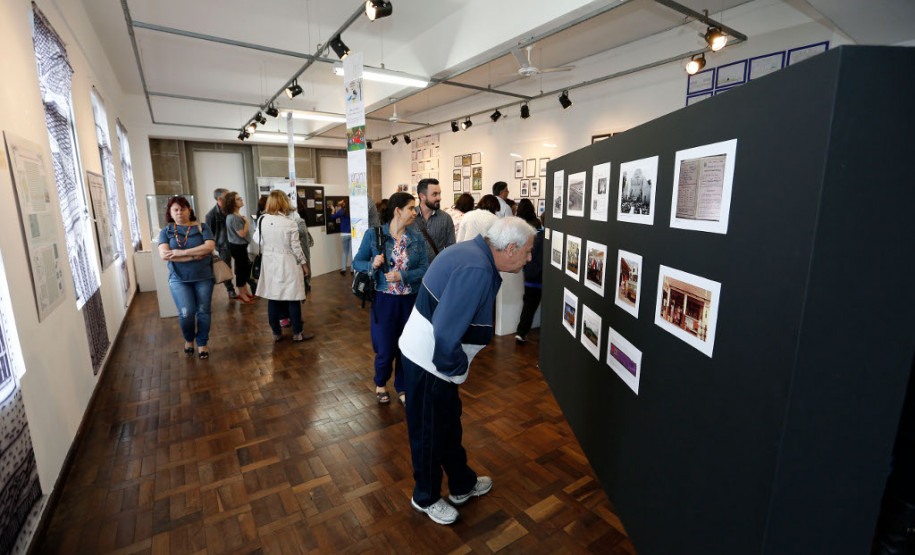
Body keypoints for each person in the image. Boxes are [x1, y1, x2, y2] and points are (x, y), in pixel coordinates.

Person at [399, 217, 535, 525]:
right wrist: (456, 369)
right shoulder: (476, 268)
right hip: (430, 361)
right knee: (430, 432)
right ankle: (426, 497)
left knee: (447, 424)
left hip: (431, 356)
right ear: (510, 248)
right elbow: (446, 335)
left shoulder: (472, 254)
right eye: (527, 252)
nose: (529, 259)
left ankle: (461, 484)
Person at [353, 193, 429, 406]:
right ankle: (380, 383)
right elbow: (356, 262)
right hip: (384, 300)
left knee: (407, 347)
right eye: (411, 208)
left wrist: (403, 276)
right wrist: (372, 264)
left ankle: (402, 387)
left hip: (410, 300)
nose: (415, 212)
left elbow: (425, 268)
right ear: (398, 211)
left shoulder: (417, 238)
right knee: (385, 348)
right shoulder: (373, 235)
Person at [157, 196, 216, 359]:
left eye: (182, 208)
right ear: (170, 212)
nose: (179, 212)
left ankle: (202, 343)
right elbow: (164, 255)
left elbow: (209, 247)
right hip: (178, 279)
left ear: (190, 210)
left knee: (204, 311)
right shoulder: (166, 231)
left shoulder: (202, 227)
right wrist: (195, 255)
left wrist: (181, 253)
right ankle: (189, 339)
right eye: (175, 209)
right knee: (186, 313)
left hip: (204, 276)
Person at [255, 191, 310, 342]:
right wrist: (304, 265)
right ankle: (297, 333)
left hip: (269, 261)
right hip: (288, 262)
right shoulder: (289, 223)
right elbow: (296, 248)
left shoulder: (262, 220)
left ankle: (276, 332)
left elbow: (257, 240)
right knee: (293, 297)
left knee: (273, 298)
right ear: (283, 203)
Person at [515, 210, 545, 344]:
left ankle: (521, 333)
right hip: (543, 279)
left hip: (530, 278)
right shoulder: (553, 238)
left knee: (528, 307)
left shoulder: (534, 236)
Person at [408, 178, 454, 263]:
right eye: (434, 194)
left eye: (439, 194)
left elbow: (451, 250)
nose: (439, 198)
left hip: (436, 271)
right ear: (422, 196)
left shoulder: (446, 218)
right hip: (414, 273)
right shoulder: (409, 217)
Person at [205, 188, 237, 299]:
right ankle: (230, 289)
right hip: (223, 245)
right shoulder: (211, 215)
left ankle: (251, 285)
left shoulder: (231, 210)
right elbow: (209, 233)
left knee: (243, 264)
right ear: (220, 199)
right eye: (227, 196)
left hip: (235, 242)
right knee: (226, 268)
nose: (230, 198)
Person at [223, 191, 255, 303]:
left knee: (244, 269)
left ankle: (245, 291)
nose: (241, 200)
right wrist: (246, 223)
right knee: (242, 271)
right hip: (238, 247)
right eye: (238, 199)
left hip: (240, 247)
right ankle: (242, 293)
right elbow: (241, 234)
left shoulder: (235, 216)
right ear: (232, 203)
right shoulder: (234, 217)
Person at [331, 198, 352, 275]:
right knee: (352, 252)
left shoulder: (341, 212)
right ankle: (352, 270)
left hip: (344, 234)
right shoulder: (352, 211)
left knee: (344, 252)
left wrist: (333, 209)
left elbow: (332, 217)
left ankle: (343, 269)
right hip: (352, 234)